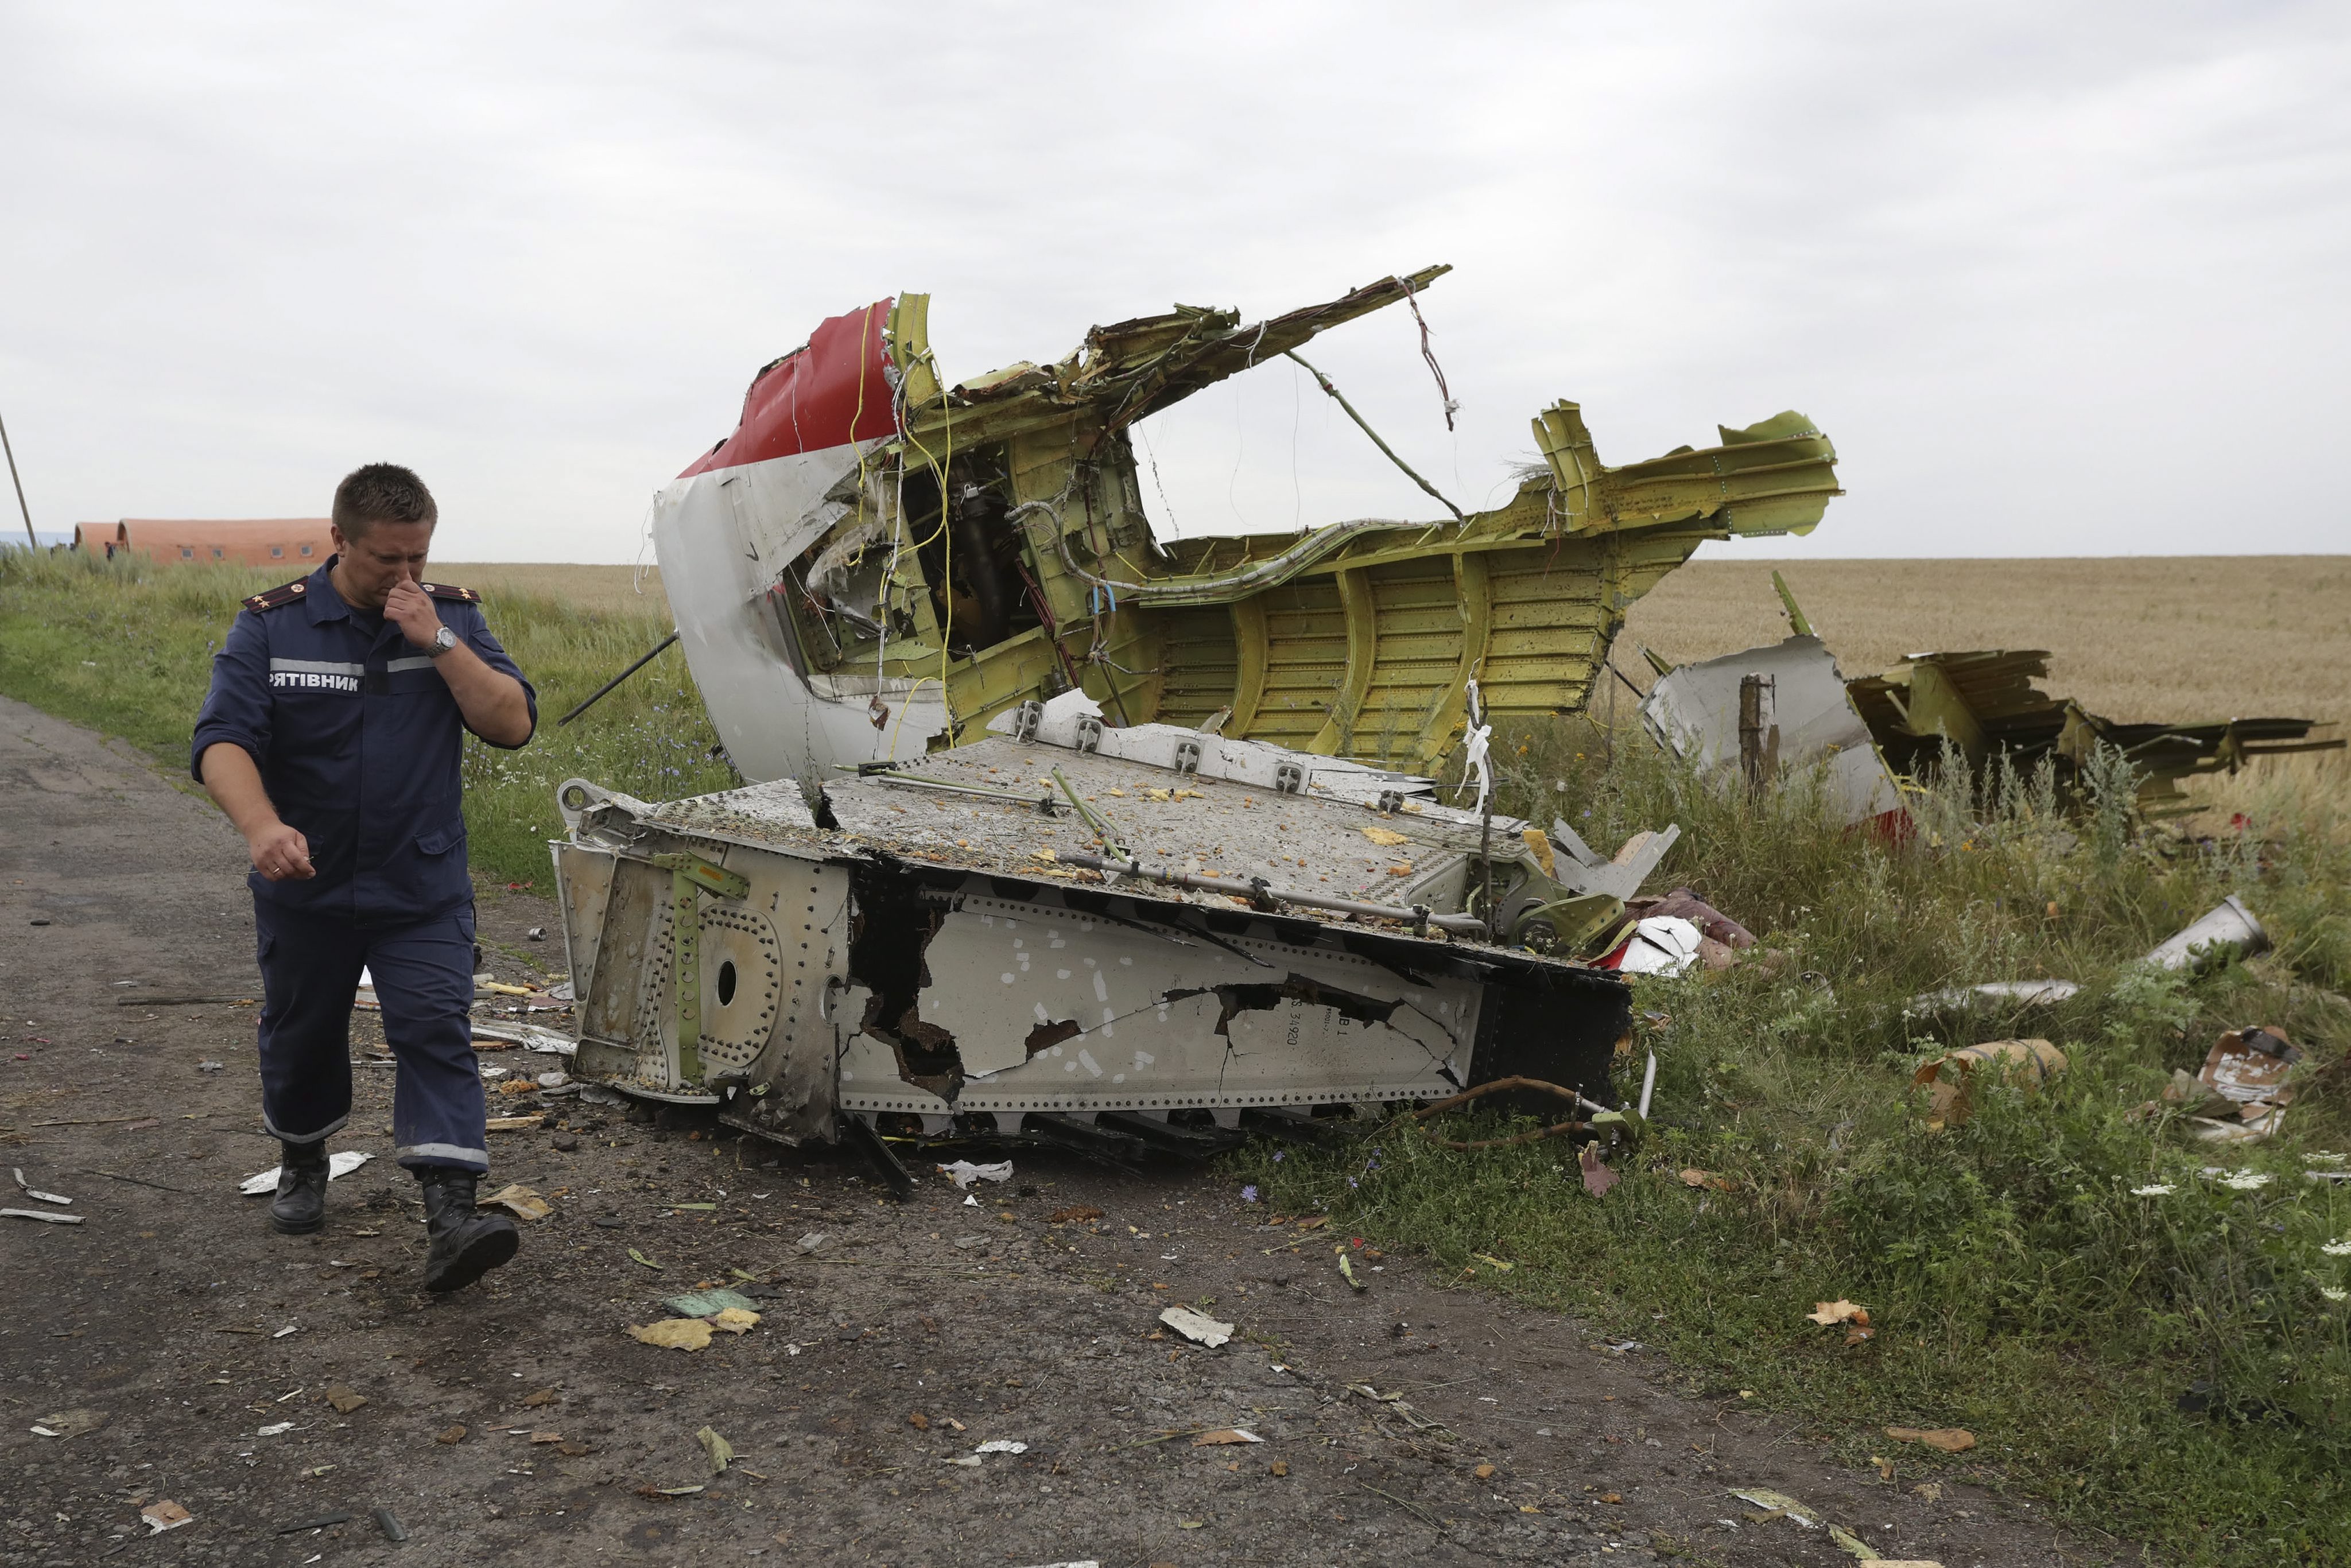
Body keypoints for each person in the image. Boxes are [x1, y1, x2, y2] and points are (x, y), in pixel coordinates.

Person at [192, 463, 537, 1293]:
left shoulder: (450, 617)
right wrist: (261, 826)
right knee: (303, 1034)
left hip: (419, 886)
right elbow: (222, 740)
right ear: (339, 539)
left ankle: (452, 1216)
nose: (405, 576)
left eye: (418, 556)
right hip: (305, 885)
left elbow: (511, 723)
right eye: (388, 560)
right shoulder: (273, 626)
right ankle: (305, 1157)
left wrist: (439, 641)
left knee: (433, 1028)